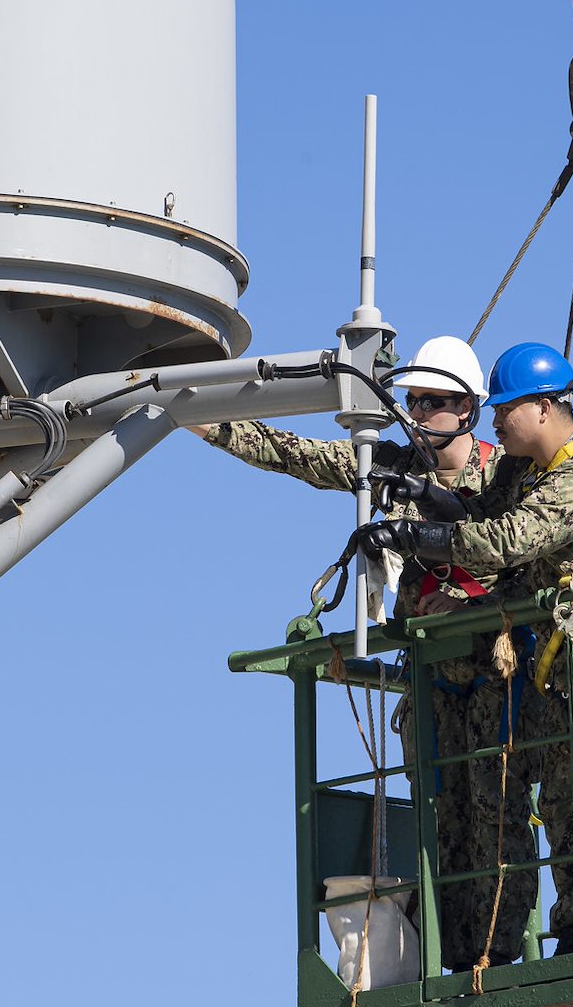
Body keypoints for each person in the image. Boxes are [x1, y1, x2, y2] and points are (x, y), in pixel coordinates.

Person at [193, 336, 535, 970]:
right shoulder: (393, 472)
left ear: (467, 408)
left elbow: (533, 563)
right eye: (413, 402)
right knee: (441, 813)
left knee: (498, 811)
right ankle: (455, 954)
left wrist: (473, 606)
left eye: (433, 402)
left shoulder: (508, 478)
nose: (418, 414)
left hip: (496, 672)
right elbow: (302, 456)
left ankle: (500, 951)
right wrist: (205, 421)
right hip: (432, 679)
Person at [359, 341, 573, 952]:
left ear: (544, 408)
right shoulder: (527, 473)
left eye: (505, 408)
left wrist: (410, 535)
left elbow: (503, 541)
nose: (494, 420)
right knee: (568, 810)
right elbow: (477, 512)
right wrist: (423, 496)